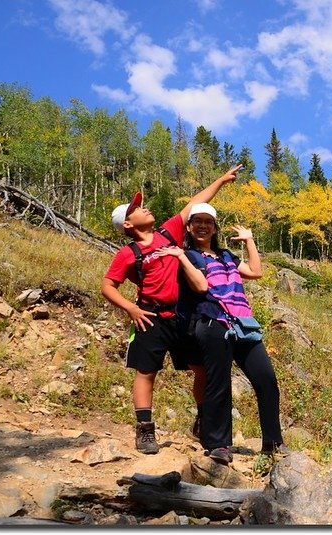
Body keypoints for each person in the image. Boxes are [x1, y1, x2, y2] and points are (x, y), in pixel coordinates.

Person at [101, 165, 241, 454]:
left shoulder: (169, 233)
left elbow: (194, 203)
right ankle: (145, 431)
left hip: (182, 316)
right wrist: (131, 309)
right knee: (146, 372)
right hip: (149, 317)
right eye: (137, 209)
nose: (144, 208)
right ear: (128, 224)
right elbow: (107, 286)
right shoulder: (128, 253)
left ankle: (203, 420)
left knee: (200, 369)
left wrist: (221, 181)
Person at [182, 202, 287, 464]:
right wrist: (181, 256)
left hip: (242, 324)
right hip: (211, 321)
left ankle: (273, 443)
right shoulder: (188, 256)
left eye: (208, 222)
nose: (203, 226)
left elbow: (256, 272)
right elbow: (198, 287)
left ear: (215, 227)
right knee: (219, 382)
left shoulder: (227, 255)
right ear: (189, 226)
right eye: (198, 221)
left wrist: (250, 240)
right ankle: (218, 443)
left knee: (266, 379)